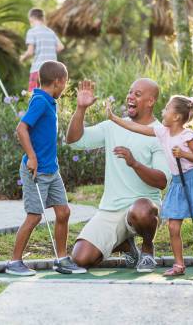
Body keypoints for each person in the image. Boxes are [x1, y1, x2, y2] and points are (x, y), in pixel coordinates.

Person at [107, 95, 193, 277]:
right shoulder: (163, 132)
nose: (163, 112)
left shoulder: (188, 136)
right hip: (179, 184)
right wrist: (114, 118)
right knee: (173, 227)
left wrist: (184, 154)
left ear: (177, 117)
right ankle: (179, 265)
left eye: (167, 109)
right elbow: (136, 127)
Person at [66, 79, 171, 272]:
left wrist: (134, 163)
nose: (130, 97)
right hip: (110, 210)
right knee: (80, 259)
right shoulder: (112, 126)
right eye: (130, 92)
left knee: (141, 210)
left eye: (137, 94)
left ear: (150, 101)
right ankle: (126, 245)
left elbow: (161, 181)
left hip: (143, 209)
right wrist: (81, 108)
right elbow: (74, 140)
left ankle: (147, 250)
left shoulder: (160, 135)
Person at [5, 61, 86, 276]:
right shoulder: (40, 100)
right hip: (36, 171)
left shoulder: (49, 101)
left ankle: (61, 259)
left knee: (63, 212)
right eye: (65, 84)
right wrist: (31, 157)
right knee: (34, 217)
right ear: (58, 81)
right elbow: (21, 129)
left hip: (52, 170)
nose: (65, 88)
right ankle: (14, 262)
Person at [20, 8, 65, 92]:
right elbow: (61, 47)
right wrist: (49, 51)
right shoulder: (50, 32)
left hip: (38, 69)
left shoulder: (32, 31)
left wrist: (22, 58)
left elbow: (30, 52)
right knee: (50, 98)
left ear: (31, 18)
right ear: (42, 18)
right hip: (52, 71)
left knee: (34, 97)